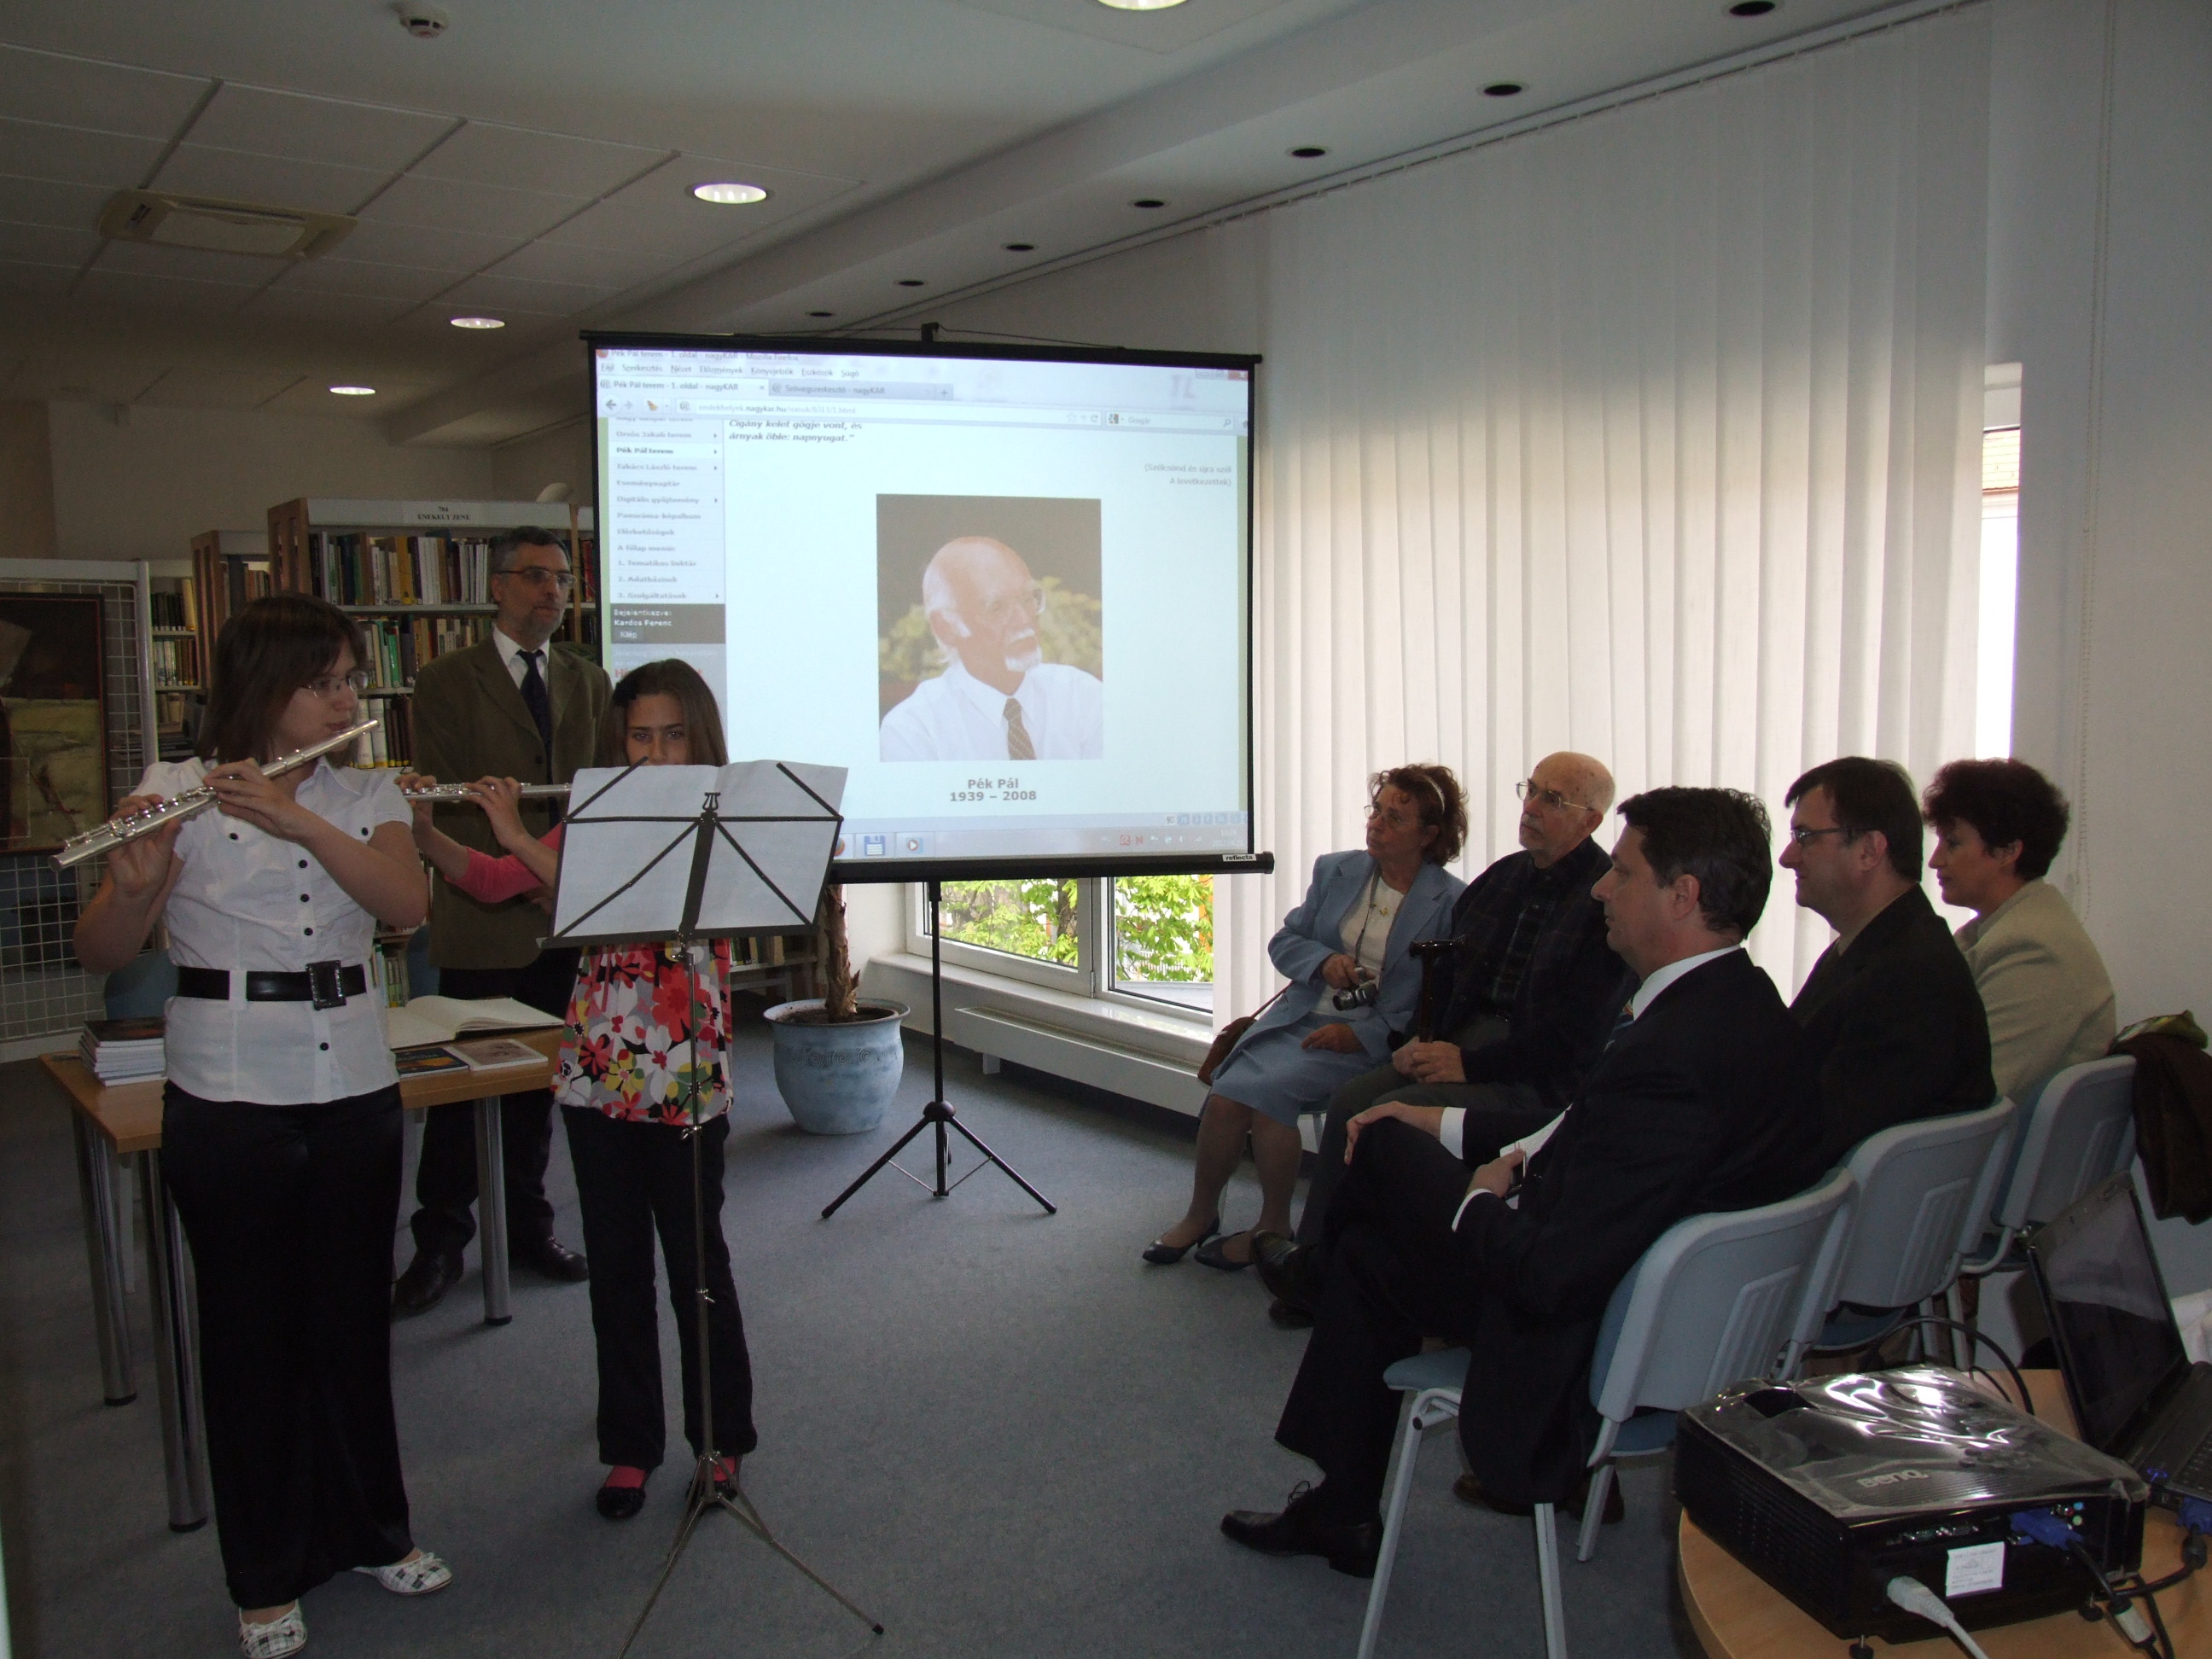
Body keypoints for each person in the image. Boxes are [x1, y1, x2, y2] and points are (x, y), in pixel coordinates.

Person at [1220, 788, 1807, 1571]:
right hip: (1618, 1277)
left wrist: (1479, 1197)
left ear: (1683, 895)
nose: (1601, 889)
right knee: (1373, 1239)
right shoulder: (1743, 1006)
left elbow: (1550, 1271)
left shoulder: (1670, 1059)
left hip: (1573, 1326)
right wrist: (1449, 1127)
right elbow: (1586, 1129)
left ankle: (1315, 1287)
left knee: (1380, 1150)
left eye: (1622, 874)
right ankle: (1343, 1502)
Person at [73, 594, 449, 1659]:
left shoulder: (365, 790)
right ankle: (266, 1576)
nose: (345, 697)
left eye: (348, 679)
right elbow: (104, 951)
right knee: (250, 1338)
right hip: (228, 1086)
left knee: (351, 1322)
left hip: (353, 1081)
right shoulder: (174, 791)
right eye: (324, 681)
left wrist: (299, 819)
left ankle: (373, 1531)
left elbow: (406, 906)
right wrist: (134, 888)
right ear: (264, 686)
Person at [405, 660, 756, 1522]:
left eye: (673, 735)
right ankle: (630, 1446)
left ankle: (721, 1441)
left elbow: (619, 905)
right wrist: (424, 828)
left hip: (684, 1071)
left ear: (701, 738)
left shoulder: (722, 820)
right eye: (639, 736)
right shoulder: (595, 812)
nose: (655, 753)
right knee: (617, 1267)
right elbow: (495, 882)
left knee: (697, 1265)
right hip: (600, 1068)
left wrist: (515, 831)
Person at [1255, 753, 1633, 1326]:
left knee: (1384, 1115)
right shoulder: (1503, 878)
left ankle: (1352, 1274)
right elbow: (1446, 978)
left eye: (1552, 799)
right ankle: (1322, 1260)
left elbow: (1572, 1038)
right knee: (1351, 1100)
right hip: (1460, 1040)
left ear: (1591, 821)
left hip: (1529, 1071)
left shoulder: (1602, 901)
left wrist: (1468, 1064)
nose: (1530, 807)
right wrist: (1415, 1039)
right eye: (1531, 790)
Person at [393, 526, 609, 1315]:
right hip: (484, 914)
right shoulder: (446, 680)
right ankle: (440, 1243)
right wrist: (521, 875)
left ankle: (527, 1229)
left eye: (562, 579)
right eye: (535, 576)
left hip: (564, 914)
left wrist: (556, 878)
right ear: (497, 586)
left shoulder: (590, 680)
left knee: (536, 1089)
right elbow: (450, 799)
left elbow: (599, 793)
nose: (552, 591)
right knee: (461, 1094)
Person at [1144, 766, 1466, 1269]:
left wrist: (1361, 1035)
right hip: (1299, 1018)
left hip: (1372, 1041)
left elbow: (1437, 1000)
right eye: (1376, 810)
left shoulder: (1451, 901)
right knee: (1226, 1096)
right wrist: (1323, 961)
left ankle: (1273, 1226)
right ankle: (1201, 1214)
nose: (1376, 824)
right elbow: (1285, 942)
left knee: (1269, 1097)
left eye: (1394, 818)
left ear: (1429, 835)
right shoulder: (1337, 870)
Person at [1778, 757, 1994, 1178]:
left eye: (1805, 837)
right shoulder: (1878, 946)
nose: (1788, 857)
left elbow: (1814, 1138)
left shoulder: (1909, 978)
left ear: (1869, 850)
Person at [1924, 758, 2116, 1105]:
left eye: (1952, 843)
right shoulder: (1998, 929)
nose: (1935, 860)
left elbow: (1977, 1089)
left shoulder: (2034, 948)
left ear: (2008, 851)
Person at [878, 536, 1103, 761]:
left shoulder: (1083, 699)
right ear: (946, 627)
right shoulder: (914, 730)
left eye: (1027, 599)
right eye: (996, 608)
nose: (1024, 619)